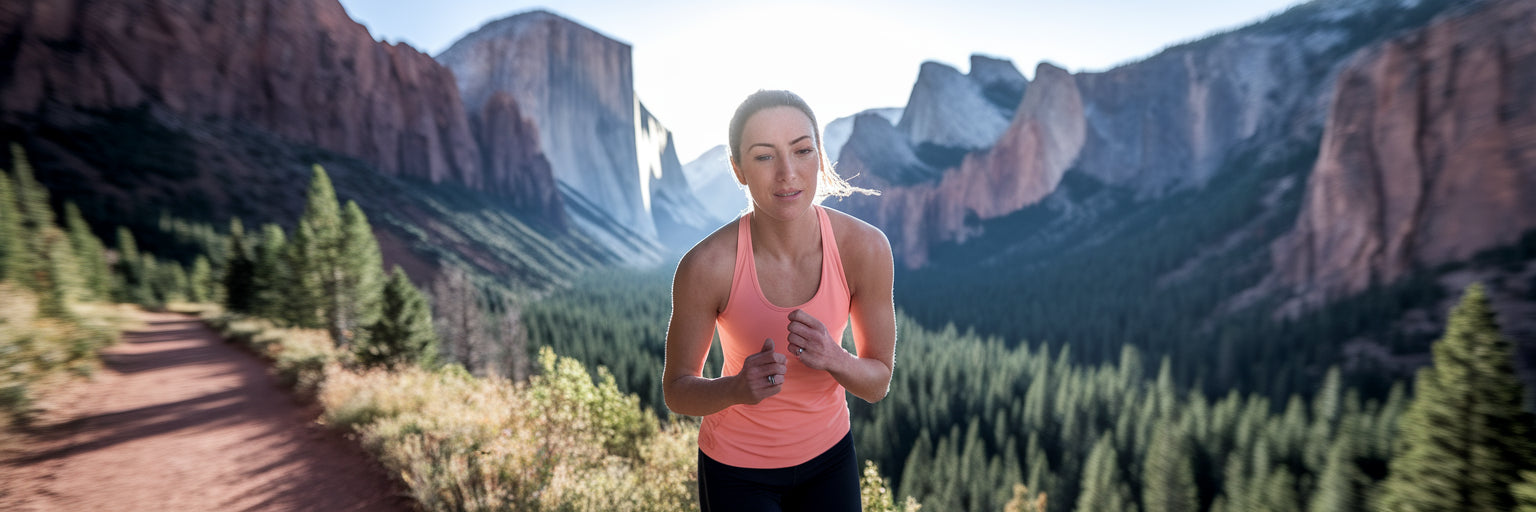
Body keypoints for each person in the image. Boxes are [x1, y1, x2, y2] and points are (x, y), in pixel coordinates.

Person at [662, 89, 896, 511]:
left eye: (802, 151)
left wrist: (835, 357)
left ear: (820, 156)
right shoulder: (705, 266)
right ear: (738, 170)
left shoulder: (865, 248)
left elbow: (878, 383)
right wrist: (735, 388)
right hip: (736, 471)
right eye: (765, 156)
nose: (788, 173)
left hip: (830, 459)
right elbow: (677, 391)